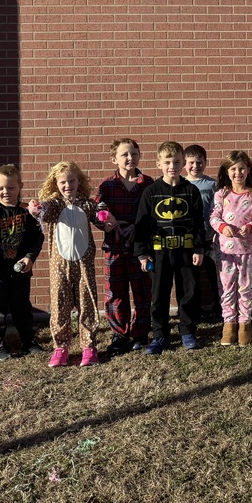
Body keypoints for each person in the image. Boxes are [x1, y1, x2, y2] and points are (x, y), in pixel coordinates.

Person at [31, 161, 116, 367]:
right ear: (55, 184)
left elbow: (104, 223)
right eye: (63, 182)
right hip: (59, 265)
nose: (68, 185)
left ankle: (89, 347)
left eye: (71, 180)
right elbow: (42, 211)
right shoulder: (54, 204)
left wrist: (108, 220)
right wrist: (36, 209)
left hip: (84, 263)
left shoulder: (87, 205)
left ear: (79, 181)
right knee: (60, 305)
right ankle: (61, 347)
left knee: (87, 304)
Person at [134, 142, 206, 354]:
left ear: (183, 163)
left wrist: (199, 248)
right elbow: (142, 224)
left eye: (176, 162)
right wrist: (142, 253)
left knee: (188, 292)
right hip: (159, 252)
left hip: (186, 250)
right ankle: (160, 335)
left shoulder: (191, 191)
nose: (172, 166)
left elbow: (199, 222)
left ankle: (187, 331)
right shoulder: (151, 192)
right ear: (158, 164)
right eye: (167, 162)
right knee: (159, 294)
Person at [0, 164, 44, 361]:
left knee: (22, 308)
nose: (6, 192)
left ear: (20, 186)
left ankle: (28, 342)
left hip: (19, 270)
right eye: (1, 188)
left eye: (11, 188)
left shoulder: (26, 212)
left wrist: (30, 257)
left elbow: (37, 238)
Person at [96, 138, 153, 356]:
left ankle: (140, 333)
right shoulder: (107, 185)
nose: (130, 158)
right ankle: (119, 334)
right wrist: (109, 222)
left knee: (142, 292)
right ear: (114, 159)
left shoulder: (148, 184)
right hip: (115, 248)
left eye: (134, 154)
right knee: (115, 293)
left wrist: (138, 228)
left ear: (139, 155)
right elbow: (98, 212)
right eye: (124, 155)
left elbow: (154, 215)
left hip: (141, 251)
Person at [210, 150, 252, 347]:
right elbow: (214, 217)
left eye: (242, 168)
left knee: (246, 287)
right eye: (233, 169)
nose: (238, 173)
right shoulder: (221, 194)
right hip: (225, 251)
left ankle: (244, 324)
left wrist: (250, 227)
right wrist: (223, 227)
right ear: (227, 171)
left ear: (248, 170)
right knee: (226, 288)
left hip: (248, 251)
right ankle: (229, 324)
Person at [185, 144, 221, 323]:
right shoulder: (181, 184)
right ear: (184, 164)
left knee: (216, 277)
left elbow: (218, 209)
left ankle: (218, 311)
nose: (195, 166)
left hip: (210, 238)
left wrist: (216, 231)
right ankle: (196, 312)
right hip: (190, 241)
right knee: (192, 280)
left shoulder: (212, 184)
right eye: (191, 162)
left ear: (205, 163)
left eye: (199, 162)